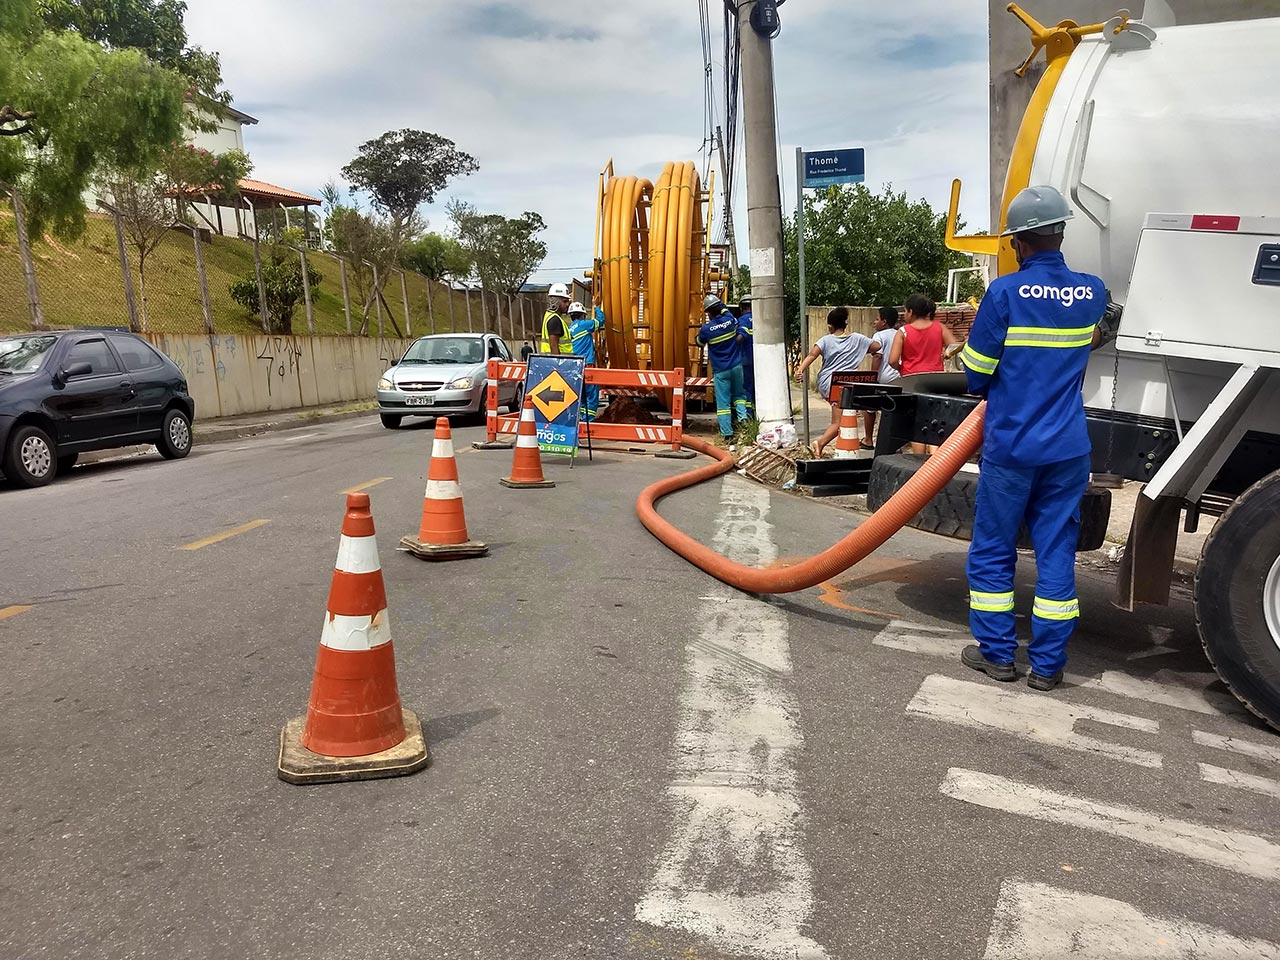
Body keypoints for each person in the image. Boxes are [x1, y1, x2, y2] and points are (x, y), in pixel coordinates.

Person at [958, 184, 1107, 692]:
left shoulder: (1003, 293)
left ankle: (998, 655)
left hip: (1013, 445)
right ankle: (1047, 667)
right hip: (1068, 447)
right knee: (1056, 552)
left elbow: (976, 374)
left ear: (1019, 241)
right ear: (1061, 232)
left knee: (994, 551)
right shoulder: (1091, 291)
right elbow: (1100, 331)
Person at [792, 306, 881, 459]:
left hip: (829, 382)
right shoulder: (857, 339)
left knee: (843, 418)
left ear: (829, 326)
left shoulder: (825, 341)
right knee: (839, 421)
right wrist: (859, 349)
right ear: (845, 324)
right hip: (847, 384)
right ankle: (820, 443)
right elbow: (877, 347)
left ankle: (826, 445)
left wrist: (800, 369)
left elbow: (812, 355)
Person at [890, 293, 958, 454]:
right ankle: (936, 463)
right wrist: (943, 355)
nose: (905, 315)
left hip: (913, 382)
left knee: (918, 425)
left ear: (911, 312)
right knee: (936, 423)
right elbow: (955, 347)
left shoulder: (903, 332)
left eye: (905, 311)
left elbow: (892, 360)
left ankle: (919, 464)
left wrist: (902, 368)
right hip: (936, 382)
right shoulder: (939, 327)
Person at [697, 294, 748, 449]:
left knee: (723, 403)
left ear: (708, 313)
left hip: (721, 370)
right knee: (740, 396)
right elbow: (724, 310)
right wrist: (720, 304)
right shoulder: (730, 320)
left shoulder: (706, 330)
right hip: (737, 366)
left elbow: (699, 342)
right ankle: (744, 421)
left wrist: (698, 336)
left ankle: (727, 434)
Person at [863, 304, 901, 443]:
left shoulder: (879, 336)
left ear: (884, 322)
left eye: (877, 319)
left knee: (869, 407)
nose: (874, 322)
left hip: (883, 379)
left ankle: (868, 439)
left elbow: (877, 356)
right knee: (894, 409)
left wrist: (872, 377)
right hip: (899, 378)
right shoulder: (900, 334)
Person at [567, 295, 606, 420]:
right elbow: (600, 321)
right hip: (588, 366)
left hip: (575, 368)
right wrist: (596, 306)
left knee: (582, 396)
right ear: (582, 315)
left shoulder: (569, 329)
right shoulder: (584, 325)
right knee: (592, 396)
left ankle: (583, 420)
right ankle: (589, 423)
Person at [540, 283, 574, 354]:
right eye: (564, 301)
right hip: (560, 363)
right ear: (556, 301)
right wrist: (558, 364)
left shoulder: (550, 315)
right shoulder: (554, 320)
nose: (568, 304)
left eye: (568, 301)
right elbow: (554, 347)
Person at [736, 296, 755, 415]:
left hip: (746, 360)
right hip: (759, 361)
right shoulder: (760, 318)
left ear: (742, 307)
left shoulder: (742, 320)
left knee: (746, 389)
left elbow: (741, 337)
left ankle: (748, 415)